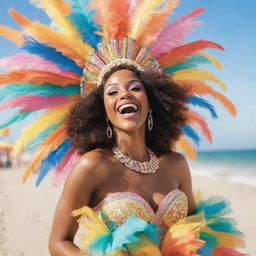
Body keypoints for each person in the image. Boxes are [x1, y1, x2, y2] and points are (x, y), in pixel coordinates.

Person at [0, 0, 246, 255]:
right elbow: (58, 242)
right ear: (102, 111)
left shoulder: (176, 164)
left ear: (152, 103)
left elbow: (197, 232)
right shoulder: (92, 166)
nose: (125, 95)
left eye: (135, 88)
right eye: (112, 92)